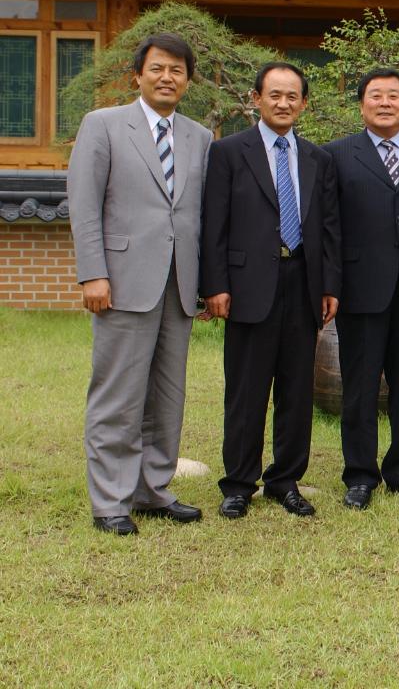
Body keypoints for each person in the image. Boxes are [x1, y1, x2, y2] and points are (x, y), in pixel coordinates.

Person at [67, 32, 213, 535]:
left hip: (179, 285)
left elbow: (199, 215)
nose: (167, 77)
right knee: (118, 394)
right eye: (157, 68)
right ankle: (111, 500)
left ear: (188, 81)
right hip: (122, 281)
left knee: (168, 395)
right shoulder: (104, 126)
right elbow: (85, 206)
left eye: (177, 70)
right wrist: (93, 273)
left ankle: (153, 489)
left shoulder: (200, 137)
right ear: (138, 75)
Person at [201, 62, 340, 519]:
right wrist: (215, 285)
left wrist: (328, 284)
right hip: (247, 286)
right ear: (256, 98)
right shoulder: (228, 152)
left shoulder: (318, 159)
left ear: (304, 103)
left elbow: (327, 227)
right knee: (246, 389)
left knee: (297, 390)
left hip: (303, 282)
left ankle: (286, 480)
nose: (283, 103)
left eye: (292, 96)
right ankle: (239, 483)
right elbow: (213, 224)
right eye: (274, 95)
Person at [326, 69, 399, 510]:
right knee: (360, 385)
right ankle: (359, 474)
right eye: (376, 95)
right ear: (361, 105)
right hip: (359, 288)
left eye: (395, 96)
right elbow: (328, 227)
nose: (386, 102)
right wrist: (330, 284)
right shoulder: (336, 155)